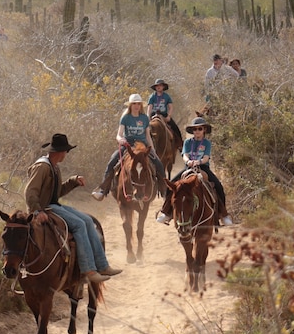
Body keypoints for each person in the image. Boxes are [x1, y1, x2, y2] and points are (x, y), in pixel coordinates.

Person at [25, 133, 122, 284]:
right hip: (46, 208)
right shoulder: (42, 167)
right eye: (66, 151)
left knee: (88, 221)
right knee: (79, 224)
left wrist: (73, 182)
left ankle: (102, 265)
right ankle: (88, 270)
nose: (66, 154)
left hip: (53, 205)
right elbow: (30, 191)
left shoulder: (53, 167)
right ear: (60, 151)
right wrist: (37, 211)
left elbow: (56, 193)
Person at [156, 116, 233, 226]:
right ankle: (166, 213)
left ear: (204, 130)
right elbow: (185, 155)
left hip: (203, 167)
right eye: (195, 129)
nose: (197, 131)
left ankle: (223, 215)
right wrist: (188, 161)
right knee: (171, 186)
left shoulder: (206, 143)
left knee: (218, 186)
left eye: (200, 129)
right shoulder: (187, 142)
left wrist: (199, 161)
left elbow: (206, 157)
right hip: (189, 167)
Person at [92, 93, 167, 201]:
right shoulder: (125, 118)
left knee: (158, 164)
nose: (136, 106)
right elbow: (119, 134)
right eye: (134, 104)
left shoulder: (145, 118)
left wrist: (152, 149)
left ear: (141, 105)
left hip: (142, 146)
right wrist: (120, 139)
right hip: (128, 145)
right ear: (130, 105)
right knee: (112, 161)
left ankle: (164, 191)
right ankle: (103, 189)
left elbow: (147, 136)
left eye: (138, 104)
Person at [146, 78, 183, 151]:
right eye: (157, 86)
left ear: (163, 87)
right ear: (155, 87)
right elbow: (149, 108)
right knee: (146, 129)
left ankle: (180, 145)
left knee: (175, 127)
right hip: (154, 114)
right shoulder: (152, 96)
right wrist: (148, 117)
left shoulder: (166, 96)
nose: (158, 87)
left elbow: (171, 107)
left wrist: (169, 116)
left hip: (164, 114)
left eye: (160, 85)